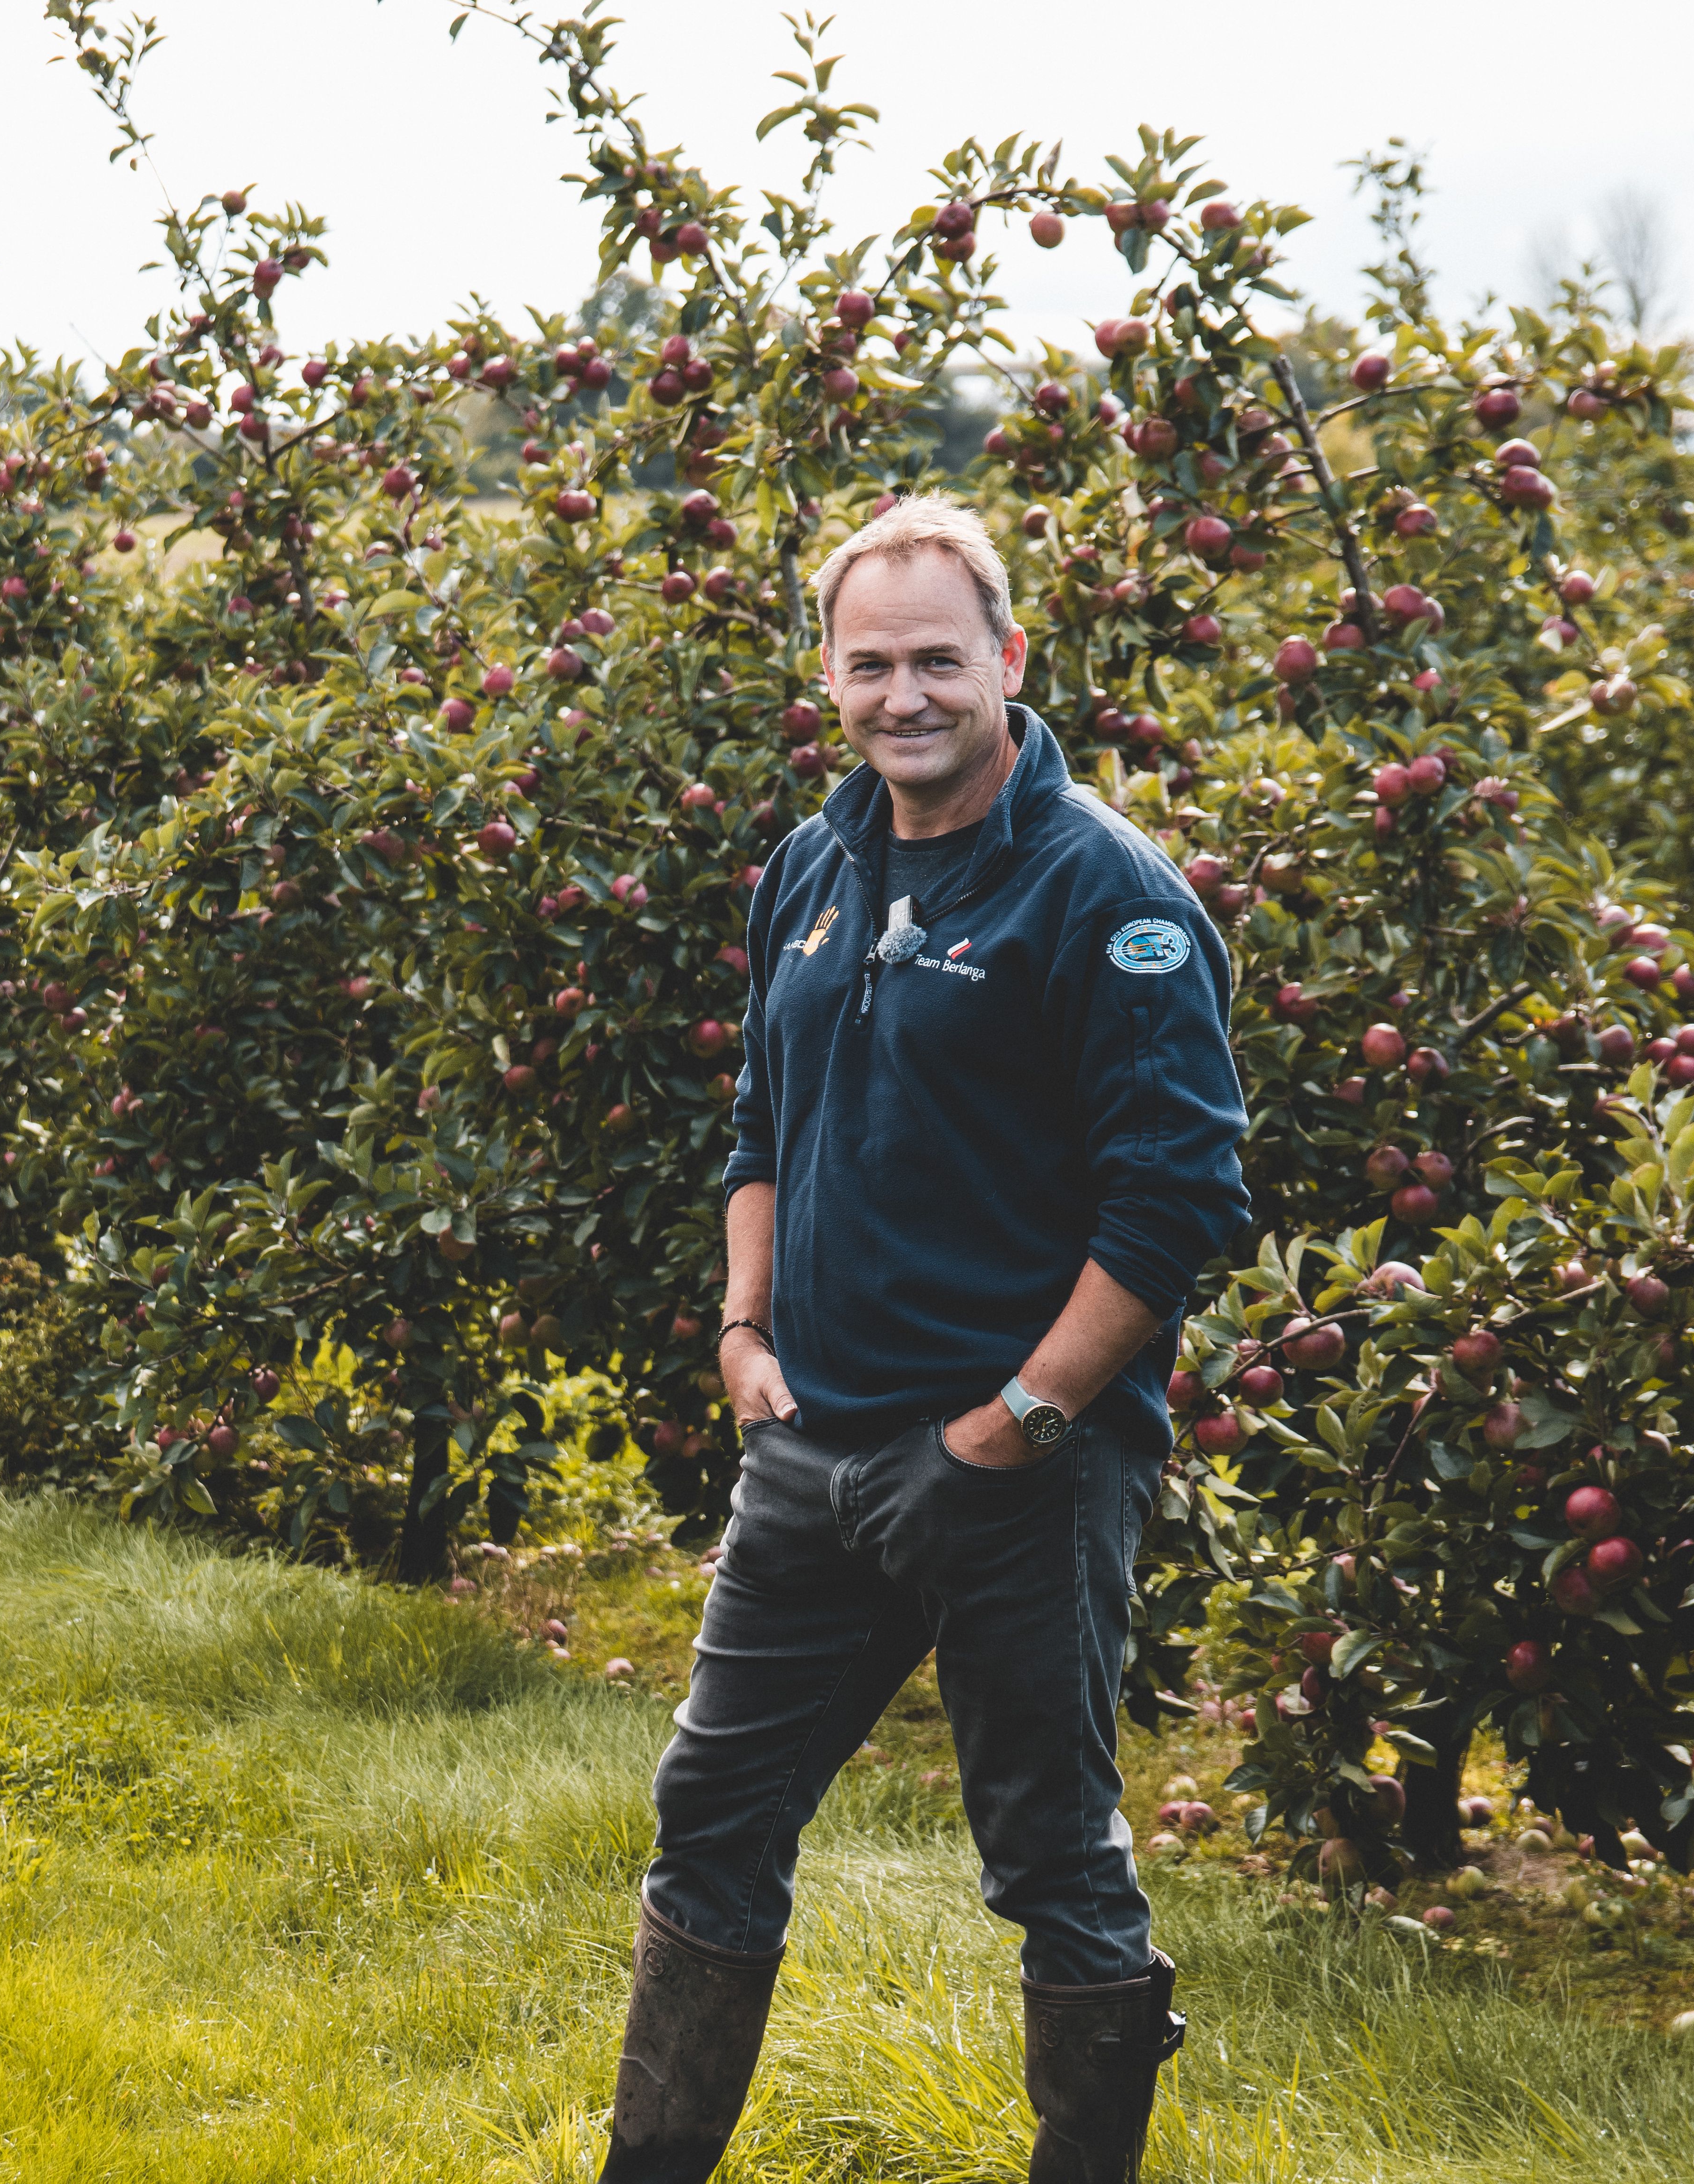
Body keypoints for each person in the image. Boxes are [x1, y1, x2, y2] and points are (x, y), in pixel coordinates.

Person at [596, 495, 1250, 2184]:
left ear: (1009, 662)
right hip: (807, 1454)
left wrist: (1017, 1422)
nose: (904, 694)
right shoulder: (812, 867)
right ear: (828, 679)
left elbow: (1175, 1202)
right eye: (869, 663)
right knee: (710, 1821)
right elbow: (760, 1120)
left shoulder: (1104, 894)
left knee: (1050, 1859)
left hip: (1012, 1470)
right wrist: (743, 1332)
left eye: (937, 659)